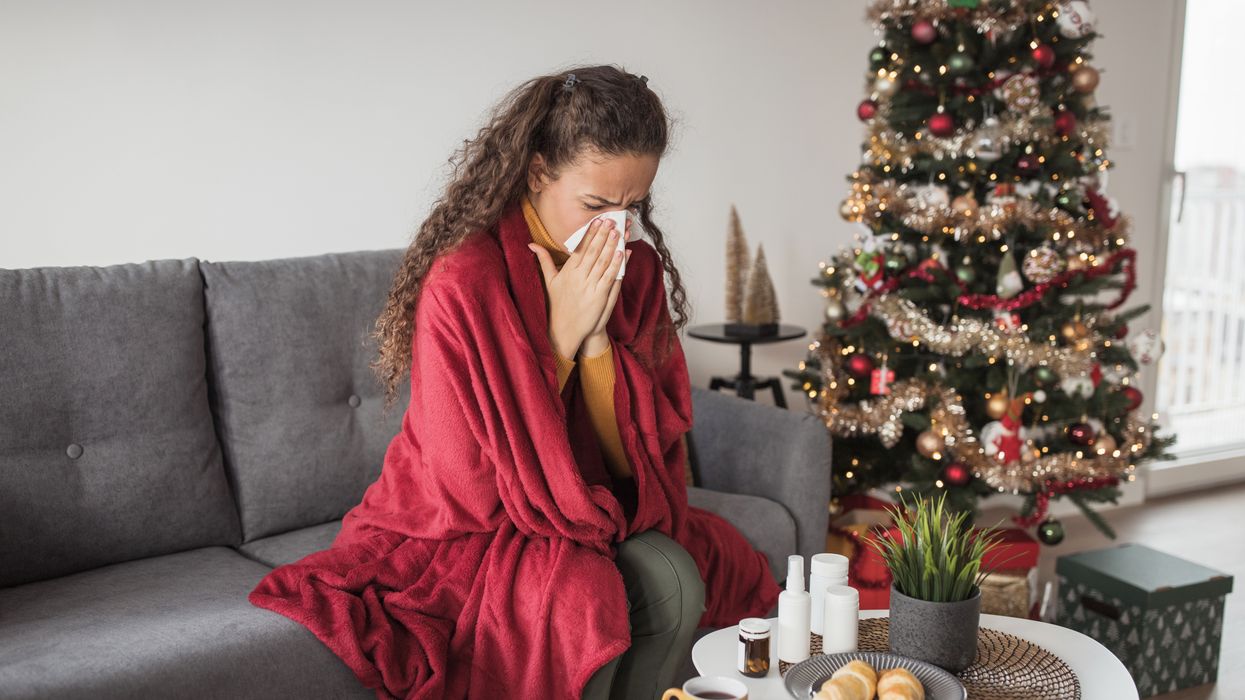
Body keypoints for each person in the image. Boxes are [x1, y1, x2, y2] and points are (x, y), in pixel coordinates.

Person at [248, 65, 780, 700]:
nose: (615, 227)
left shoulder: (633, 272)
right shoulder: (464, 281)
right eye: (595, 204)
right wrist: (555, 342)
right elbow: (465, 483)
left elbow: (645, 459)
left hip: (591, 501)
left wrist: (594, 344)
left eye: (632, 206)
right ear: (536, 173)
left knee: (685, 576)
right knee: (581, 600)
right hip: (461, 519)